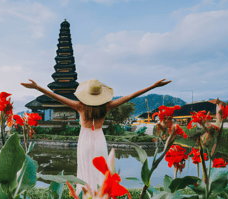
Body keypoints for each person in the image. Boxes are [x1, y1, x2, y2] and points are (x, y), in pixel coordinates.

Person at [21, 78, 171, 193]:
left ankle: (84, 197)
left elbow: (55, 97)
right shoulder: (107, 106)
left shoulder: (80, 106)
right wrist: (153, 86)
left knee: (84, 169)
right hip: (99, 139)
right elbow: (131, 95)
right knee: (101, 170)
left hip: (84, 140)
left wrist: (37, 87)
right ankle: (101, 196)